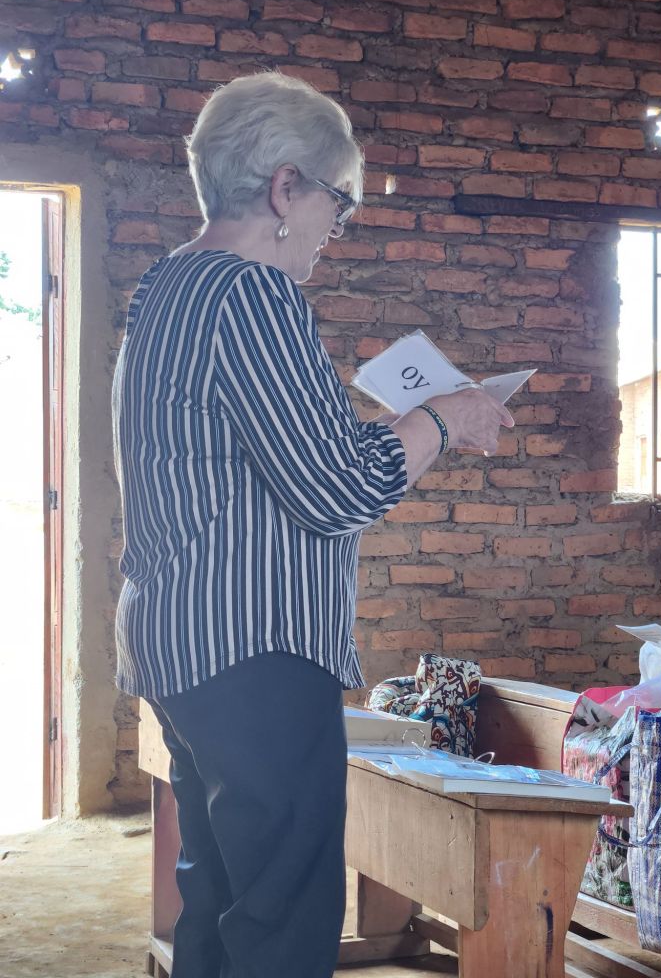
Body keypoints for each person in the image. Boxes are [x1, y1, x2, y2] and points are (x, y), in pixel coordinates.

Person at [112, 71, 513, 978]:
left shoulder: (171, 283)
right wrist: (443, 417)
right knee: (284, 921)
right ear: (285, 187)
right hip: (252, 647)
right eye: (340, 200)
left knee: (222, 898)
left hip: (182, 635)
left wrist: (408, 424)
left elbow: (287, 460)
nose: (339, 225)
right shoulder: (252, 295)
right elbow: (337, 490)